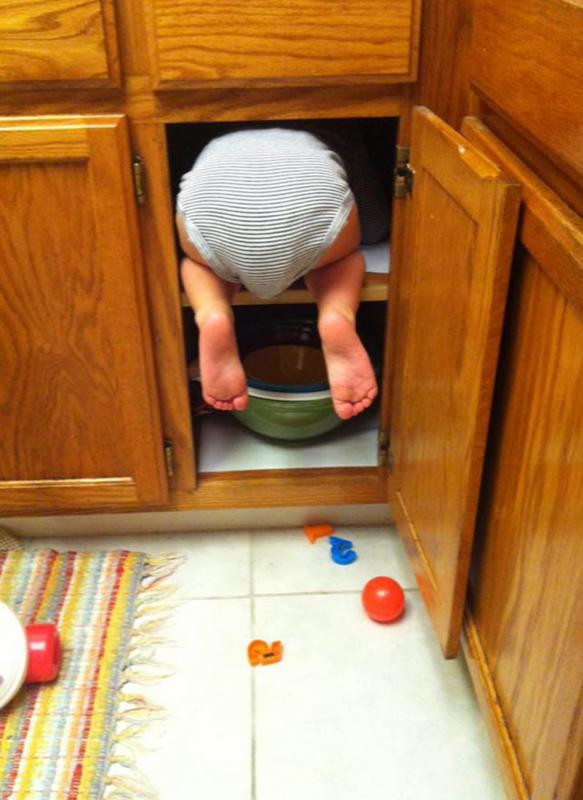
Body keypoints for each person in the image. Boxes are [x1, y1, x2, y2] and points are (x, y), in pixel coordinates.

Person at [176, 124, 389, 420]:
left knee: (201, 266)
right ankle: (336, 313)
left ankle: (213, 314)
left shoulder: (213, 126)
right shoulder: (342, 130)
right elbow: (374, 223)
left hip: (214, 205)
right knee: (341, 262)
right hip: (313, 198)